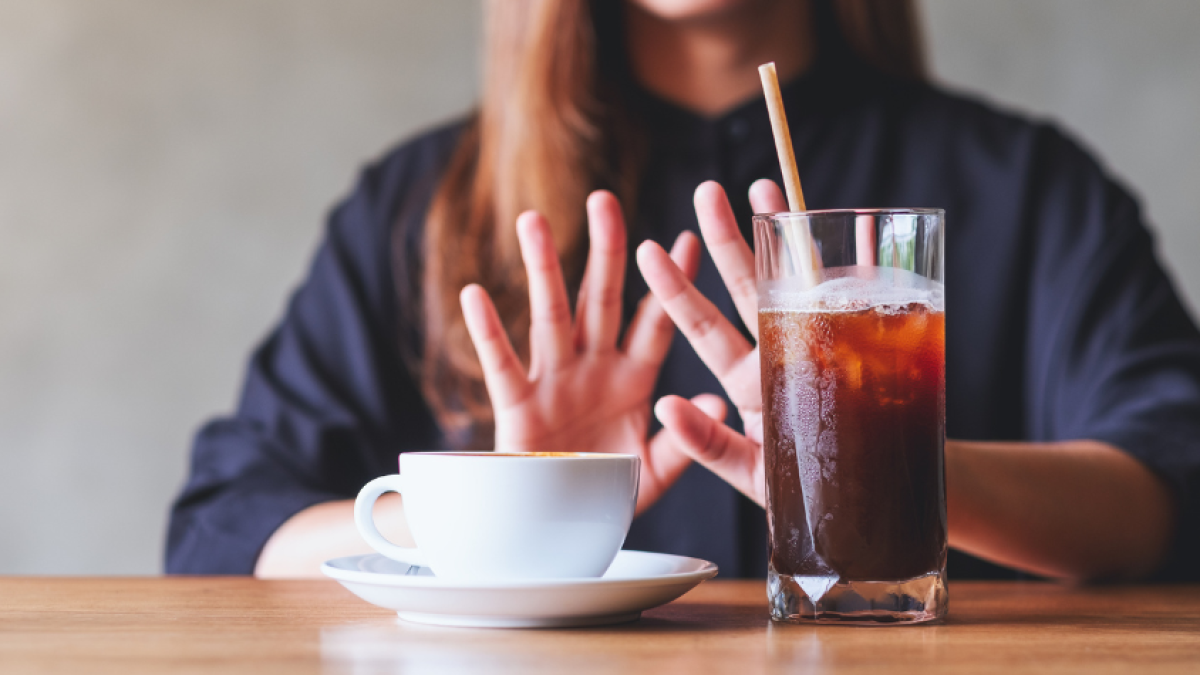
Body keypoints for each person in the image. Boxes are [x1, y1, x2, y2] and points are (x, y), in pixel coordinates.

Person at [167, 0, 1200, 581]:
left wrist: (870, 463)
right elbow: (226, 531)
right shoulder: (423, 206)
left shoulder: (1030, 187)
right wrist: (509, 516)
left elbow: (1172, 496)